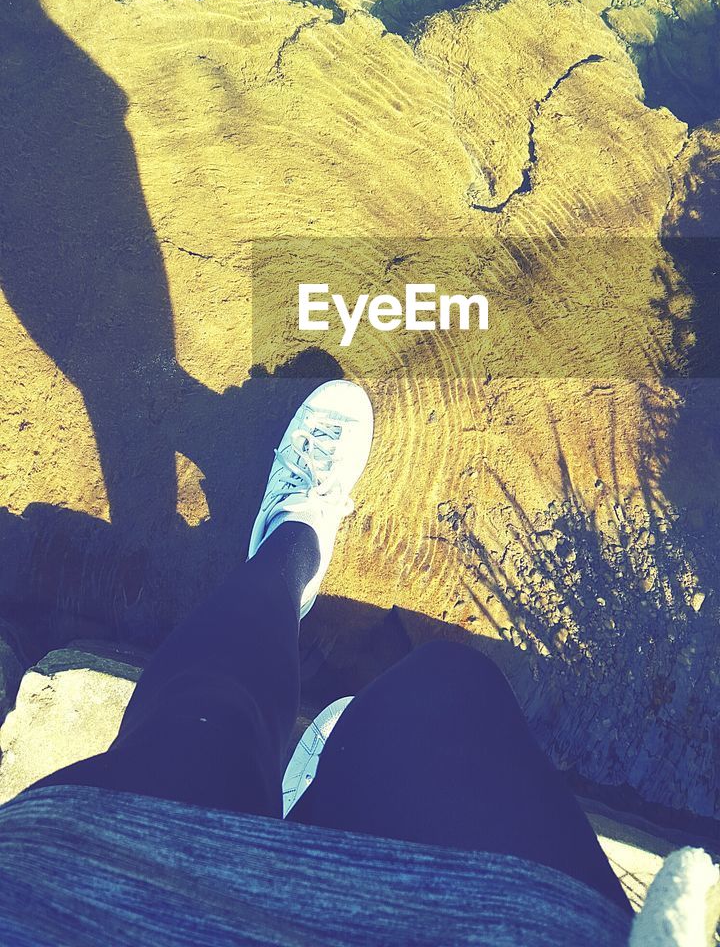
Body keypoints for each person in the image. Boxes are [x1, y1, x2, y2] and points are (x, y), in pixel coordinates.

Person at [0, 380, 649, 944]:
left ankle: (290, 548)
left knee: (208, 710)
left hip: (86, 909)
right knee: (450, 696)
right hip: (496, 919)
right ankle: (312, 799)